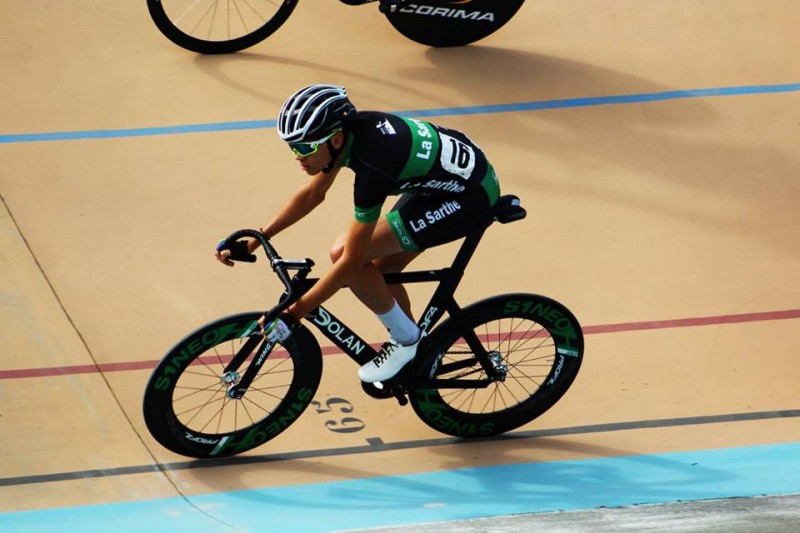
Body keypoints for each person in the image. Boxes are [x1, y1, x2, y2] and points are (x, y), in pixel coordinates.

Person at [215, 84, 500, 383]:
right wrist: (256, 239)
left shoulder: (373, 166)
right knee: (379, 273)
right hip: (443, 183)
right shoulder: (348, 135)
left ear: (336, 139)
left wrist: (293, 314)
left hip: (468, 198)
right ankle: (412, 349)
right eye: (292, 147)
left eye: (305, 148)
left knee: (345, 255)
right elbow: (313, 195)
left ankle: (407, 342)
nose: (298, 156)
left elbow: (350, 261)